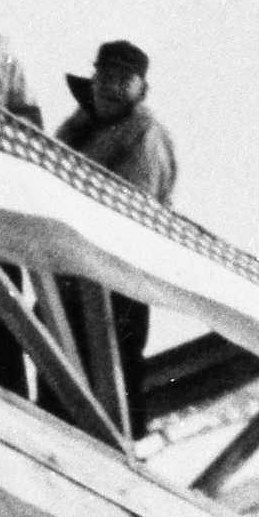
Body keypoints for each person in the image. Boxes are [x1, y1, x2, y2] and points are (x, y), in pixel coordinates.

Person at [55, 40, 180, 416]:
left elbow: (129, 213)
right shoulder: (75, 132)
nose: (110, 86)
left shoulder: (145, 135)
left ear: (141, 88)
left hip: (117, 280)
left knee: (116, 391)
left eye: (123, 79)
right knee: (57, 386)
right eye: (105, 76)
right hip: (68, 275)